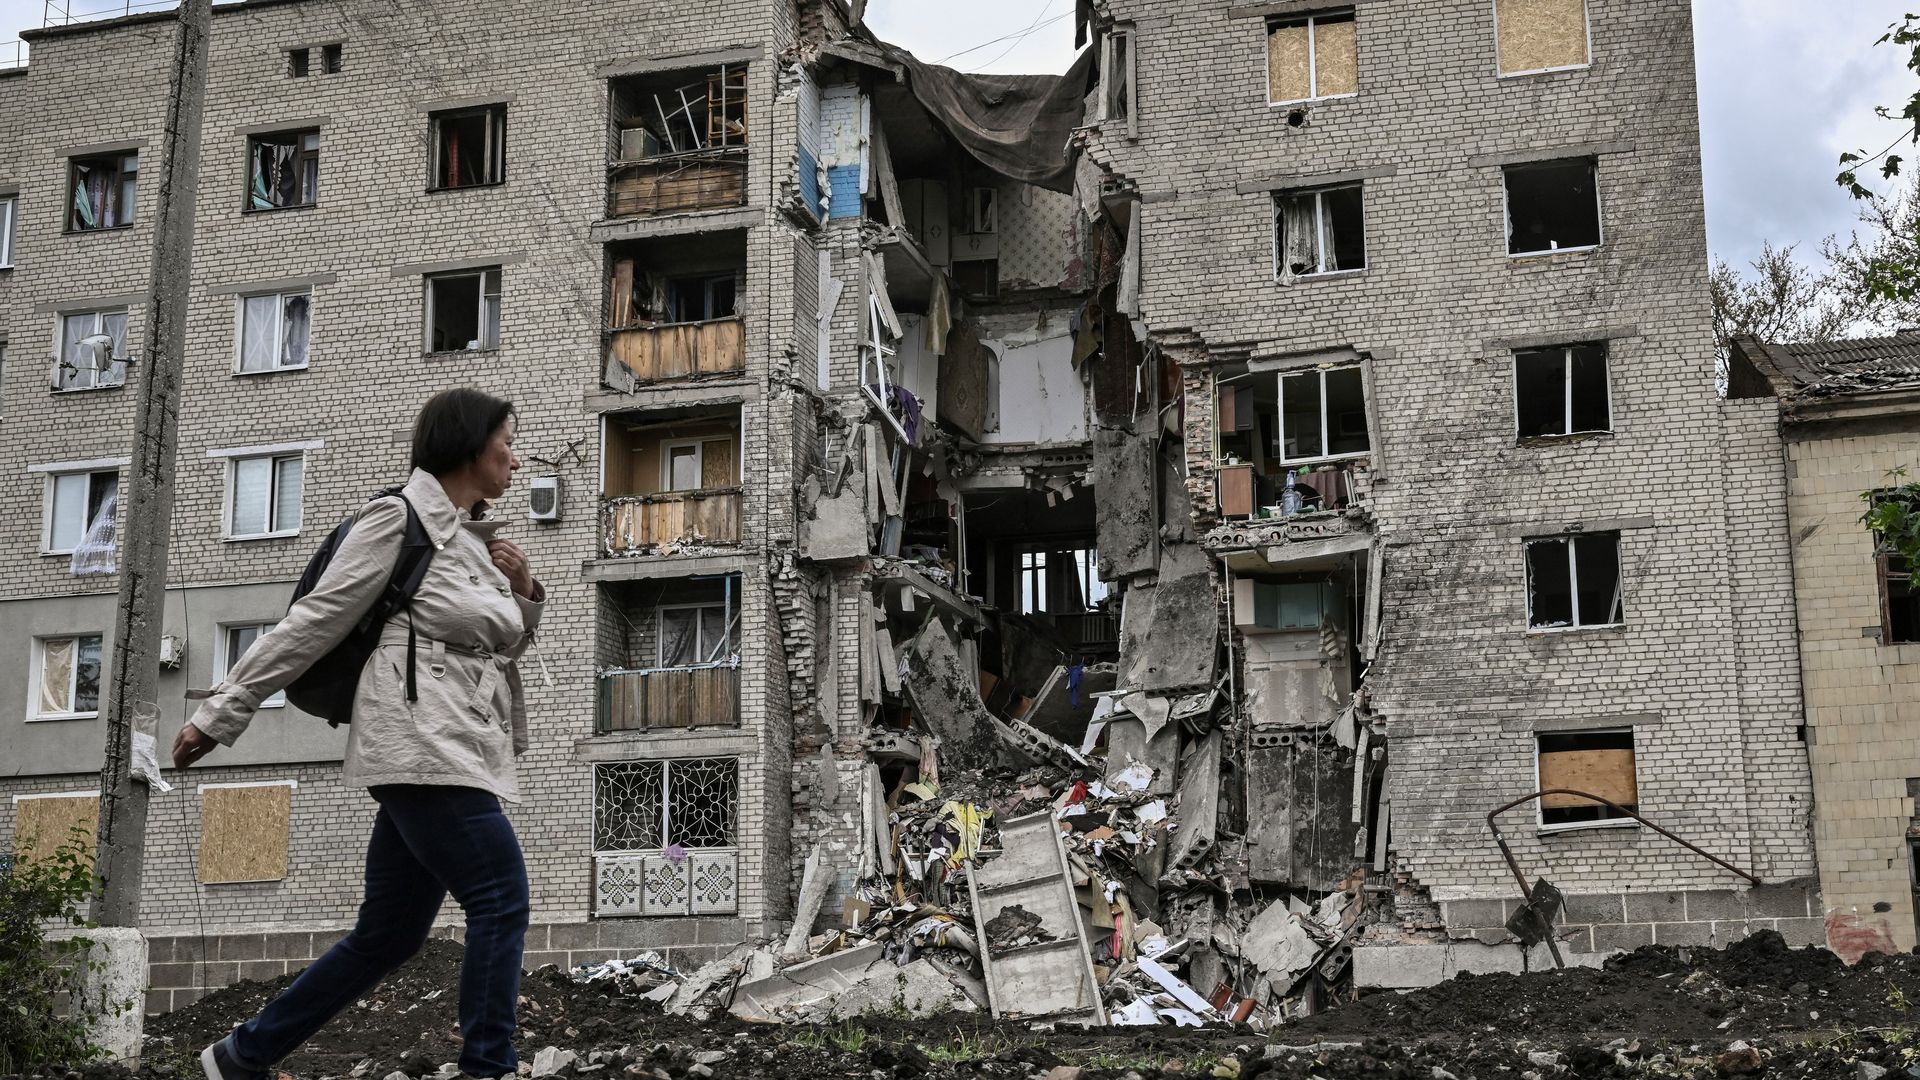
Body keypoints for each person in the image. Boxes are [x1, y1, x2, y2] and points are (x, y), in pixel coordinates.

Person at [175, 388, 545, 1080]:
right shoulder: (396, 520)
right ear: (469, 444)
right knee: (502, 897)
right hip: (419, 744)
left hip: (460, 743)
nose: (515, 460)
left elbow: (500, 646)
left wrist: (524, 591)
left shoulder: (469, 545)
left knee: (390, 934)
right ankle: (488, 1067)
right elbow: (313, 622)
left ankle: (240, 1057)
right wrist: (222, 711)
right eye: (507, 443)